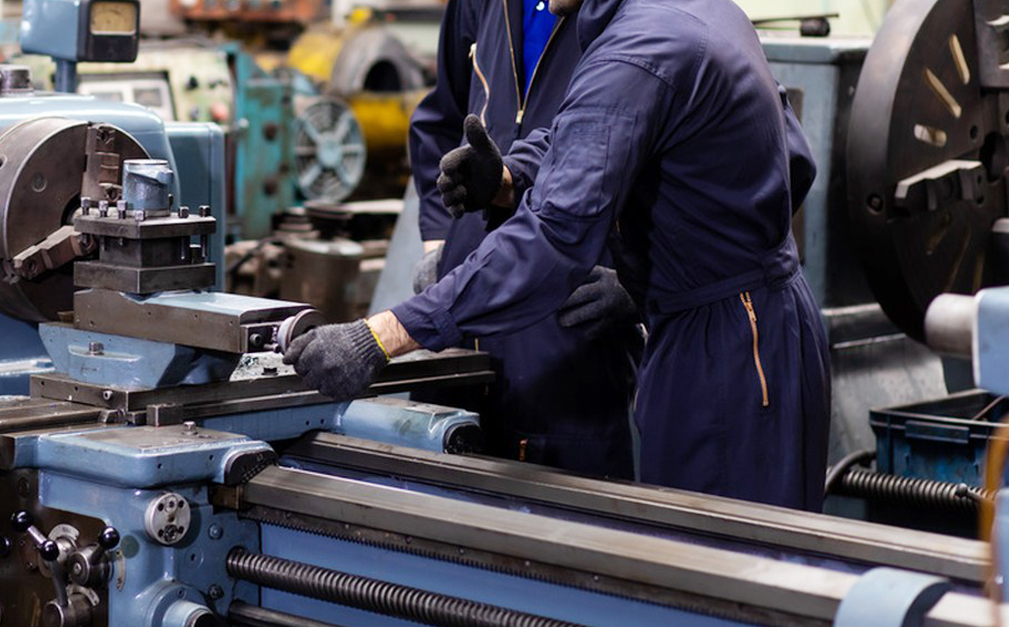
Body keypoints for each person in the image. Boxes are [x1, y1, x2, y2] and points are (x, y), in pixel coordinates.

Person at [285, 0, 831, 510]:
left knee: (721, 557)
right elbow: (791, 158)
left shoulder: (638, 49)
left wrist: (382, 334)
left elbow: (551, 238)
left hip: (728, 348)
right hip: (746, 323)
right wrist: (510, 177)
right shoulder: (676, 15)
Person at [406, 0, 640, 478]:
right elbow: (441, 118)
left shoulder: (636, 15)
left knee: (568, 505)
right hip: (465, 302)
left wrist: (642, 281)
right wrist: (440, 241)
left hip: (571, 316)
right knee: (442, 478)